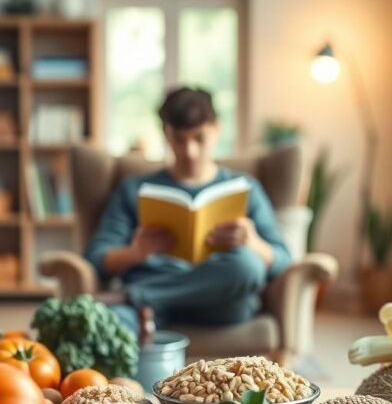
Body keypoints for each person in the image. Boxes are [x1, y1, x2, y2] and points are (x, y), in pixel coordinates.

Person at [84, 87, 291, 338]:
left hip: (219, 305)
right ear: (166, 134)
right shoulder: (134, 190)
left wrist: (254, 243)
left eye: (199, 138)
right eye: (179, 140)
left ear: (216, 129)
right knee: (105, 326)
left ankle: (138, 296)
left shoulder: (245, 188)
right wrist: (135, 252)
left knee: (248, 266)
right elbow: (96, 256)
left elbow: (283, 260)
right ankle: (143, 302)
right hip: (150, 310)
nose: (189, 152)